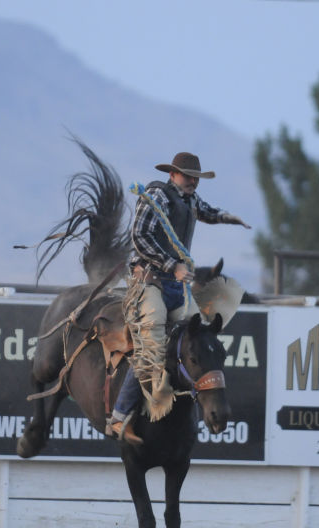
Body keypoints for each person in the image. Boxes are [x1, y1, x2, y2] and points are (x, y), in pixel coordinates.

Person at [106, 152, 250, 442]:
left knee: (200, 340)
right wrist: (172, 265)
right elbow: (140, 237)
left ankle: (178, 412)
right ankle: (119, 417)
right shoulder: (157, 196)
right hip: (150, 282)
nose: (193, 181)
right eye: (187, 176)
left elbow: (205, 211)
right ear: (173, 174)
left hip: (175, 284)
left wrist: (225, 217)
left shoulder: (189, 199)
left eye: (196, 177)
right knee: (152, 347)